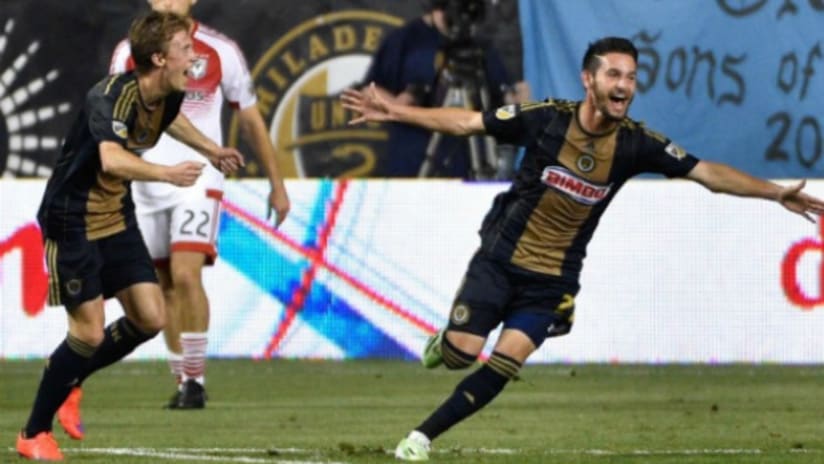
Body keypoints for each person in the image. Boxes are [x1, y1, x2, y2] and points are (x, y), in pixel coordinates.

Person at [342, 36, 824, 461]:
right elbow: (467, 122)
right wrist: (396, 111)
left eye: (632, 77)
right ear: (589, 80)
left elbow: (707, 174)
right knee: (460, 353)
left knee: (505, 364)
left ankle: (420, 439)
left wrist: (772, 191)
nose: (624, 86)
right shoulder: (546, 119)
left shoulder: (637, 145)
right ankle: (446, 343)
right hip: (500, 260)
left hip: (552, 280)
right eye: (614, 74)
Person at [15, 10, 245, 461]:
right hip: (73, 218)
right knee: (89, 335)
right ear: (159, 57)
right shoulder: (109, 97)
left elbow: (170, 121)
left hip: (116, 215)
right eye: (185, 50)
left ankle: (69, 377)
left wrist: (213, 151)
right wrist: (167, 173)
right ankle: (32, 433)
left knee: (151, 317)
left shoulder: (171, 93)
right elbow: (112, 161)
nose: (194, 57)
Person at [103, 0, 288, 411]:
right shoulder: (126, 52)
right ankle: (183, 379)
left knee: (187, 274)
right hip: (147, 179)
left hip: (200, 176)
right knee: (161, 284)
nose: (168, 2)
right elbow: (113, 114)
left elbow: (252, 118)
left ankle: (196, 380)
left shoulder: (220, 51)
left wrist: (278, 185)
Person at [362, 0, 528, 179]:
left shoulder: (480, 48)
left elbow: (506, 99)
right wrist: (398, 107)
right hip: (413, 164)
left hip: (470, 167)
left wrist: (520, 104)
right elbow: (371, 90)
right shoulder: (405, 40)